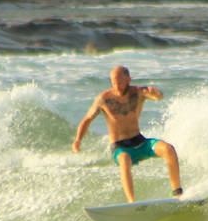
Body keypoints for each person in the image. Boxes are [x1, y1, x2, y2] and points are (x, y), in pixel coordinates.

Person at [72, 65, 183, 203]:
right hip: (120, 147)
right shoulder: (104, 99)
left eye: (120, 82)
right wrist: (78, 140)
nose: (117, 86)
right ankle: (132, 202)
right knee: (125, 160)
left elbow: (158, 97)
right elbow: (87, 119)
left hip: (139, 141)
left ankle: (178, 193)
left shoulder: (138, 92)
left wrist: (156, 93)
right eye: (113, 83)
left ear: (128, 79)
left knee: (168, 149)